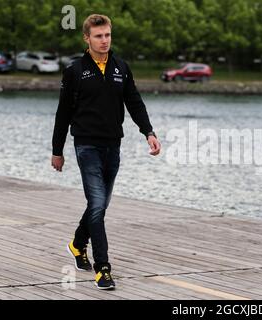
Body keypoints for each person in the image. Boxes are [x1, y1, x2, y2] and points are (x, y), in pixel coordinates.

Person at [51, 14, 161, 290]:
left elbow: (134, 102)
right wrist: (57, 150)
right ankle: (103, 268)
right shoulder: (75, 71)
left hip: (113, 145)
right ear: (86, 38)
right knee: (98, 205)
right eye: (98, 36)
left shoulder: (121, 67)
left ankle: (77, 244)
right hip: (86, 145)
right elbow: (63, 113)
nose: (104, 41)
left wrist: (148, 132)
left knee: (99, 205)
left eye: (108, 35)